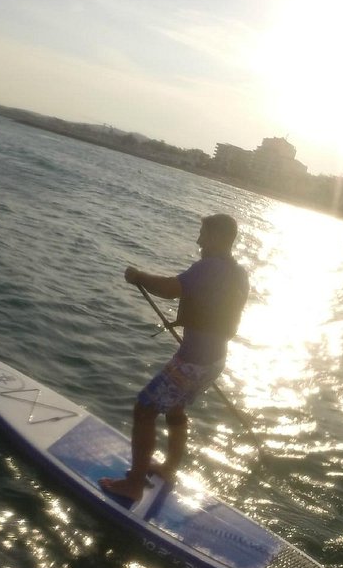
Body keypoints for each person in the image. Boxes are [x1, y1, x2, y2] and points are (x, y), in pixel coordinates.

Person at [100, 214, 249, 503]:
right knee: (175, 409)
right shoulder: (239, 272)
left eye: (203, 234)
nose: (198, 241)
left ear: (218, 238)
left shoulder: (210, 266)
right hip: (216, 360)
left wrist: (137, 276)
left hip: (194, 360)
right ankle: (168, 468)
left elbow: (170, 290)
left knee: (144, 408)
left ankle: (133, 484)